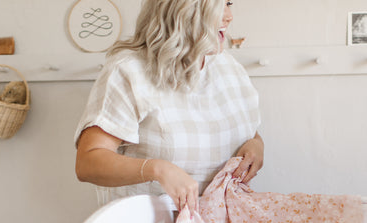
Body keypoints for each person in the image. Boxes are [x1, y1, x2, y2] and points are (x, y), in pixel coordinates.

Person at [74, 0, 264, 212]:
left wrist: (255, 145)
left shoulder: (228, 66)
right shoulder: (129, 70)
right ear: (183, 10)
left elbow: (241, 129)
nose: (229, 16)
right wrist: (157, 169)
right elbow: (87, 163)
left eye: (228, 3)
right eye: (218, 6)